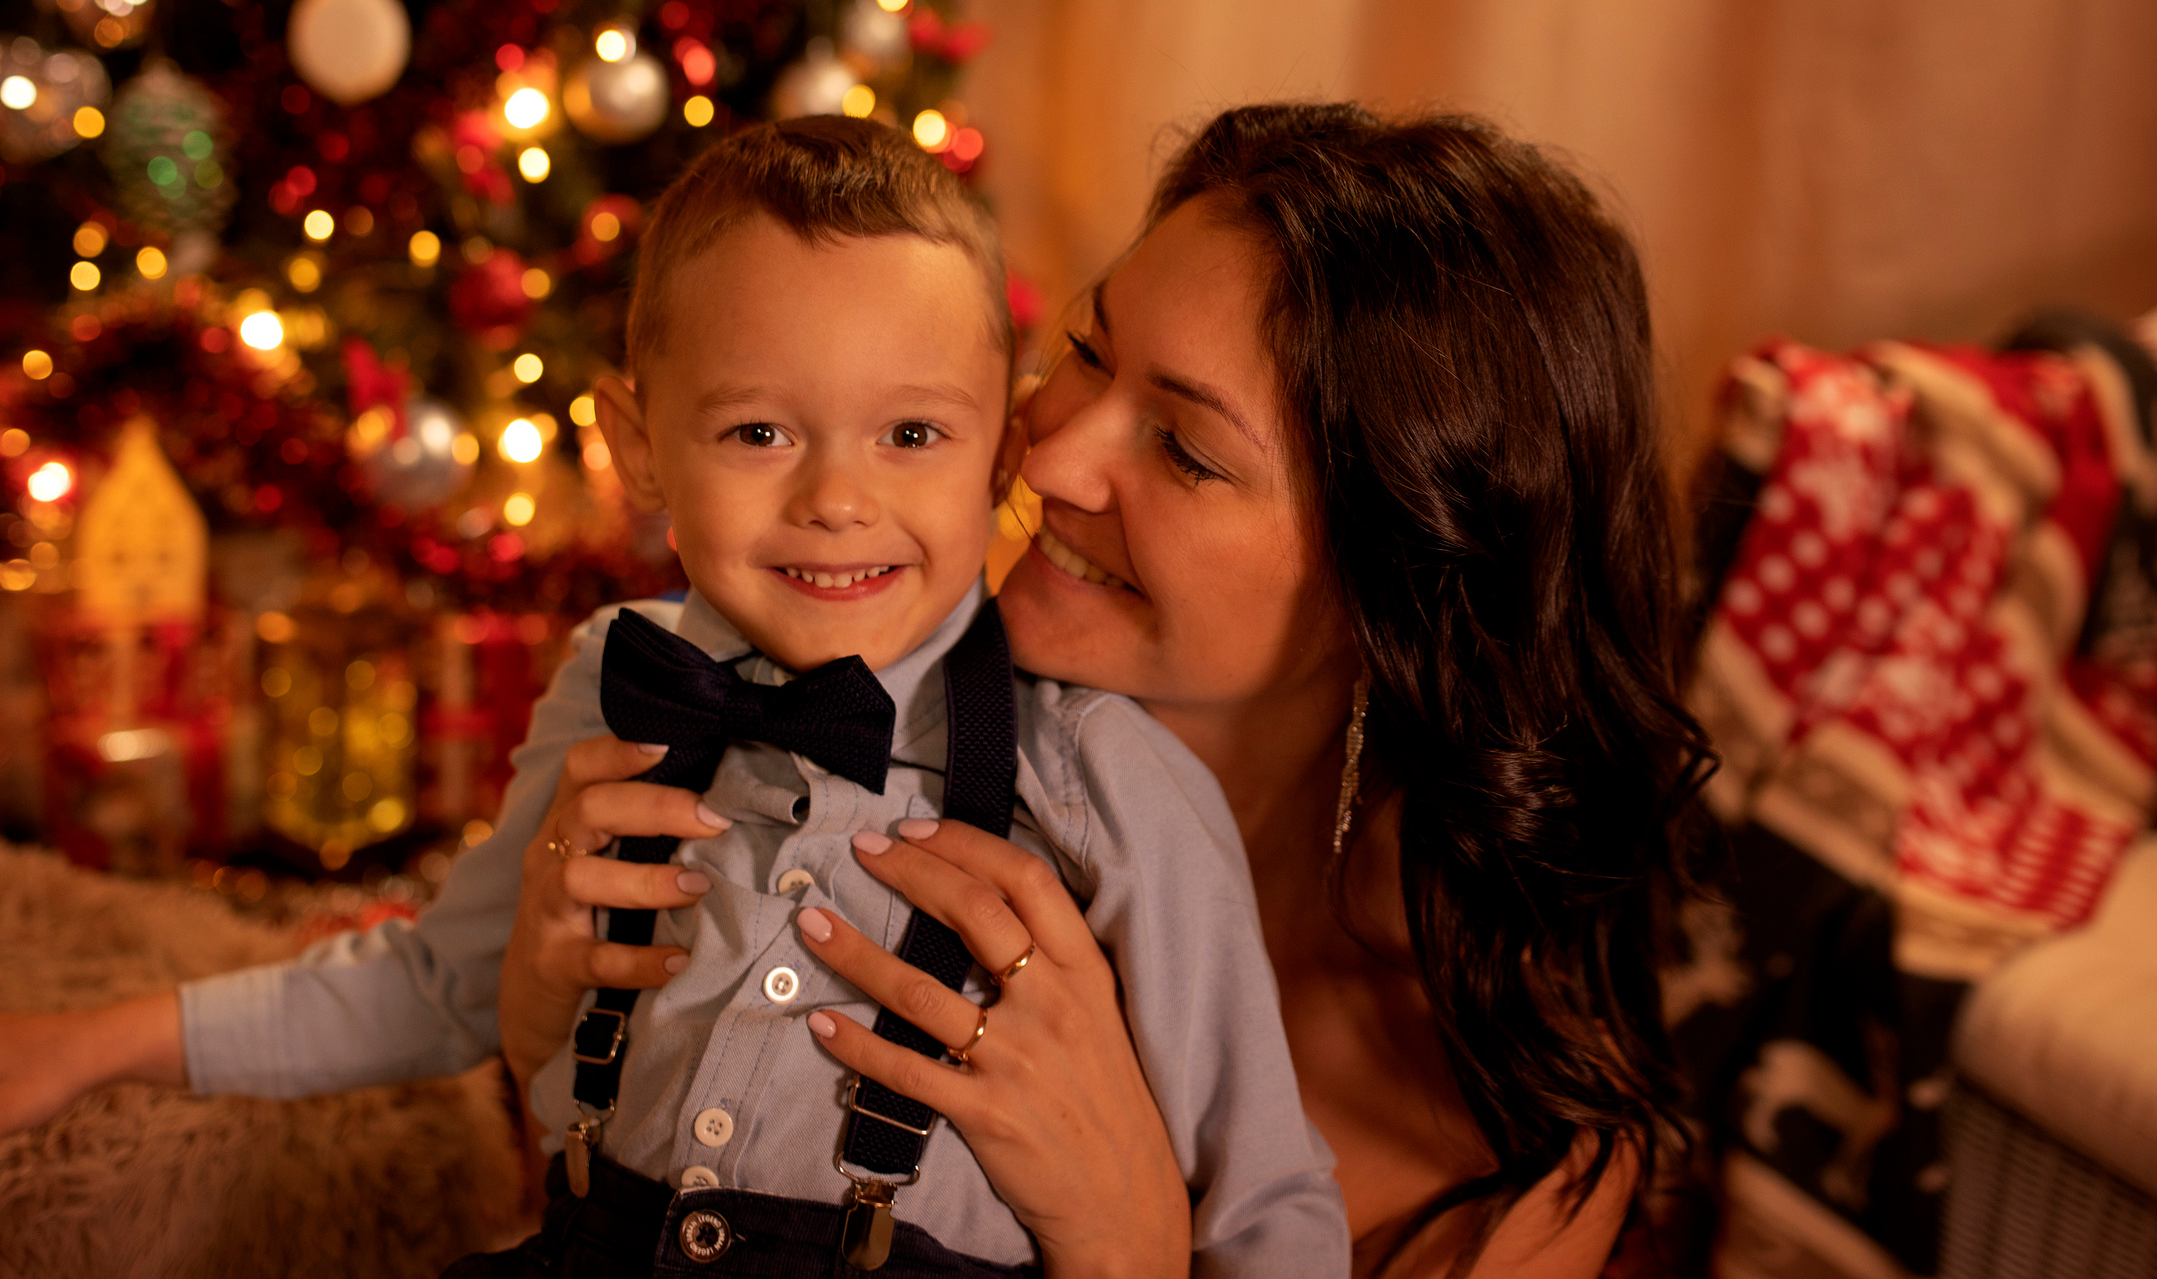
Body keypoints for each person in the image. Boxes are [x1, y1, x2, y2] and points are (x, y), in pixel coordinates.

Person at [0, 117, 1349, 1277]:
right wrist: (94, 1039)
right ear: (637, 447)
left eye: (912, 434)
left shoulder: (1115, 785)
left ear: (997, 444)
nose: (836, 500)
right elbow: (440, 980)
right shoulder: (618, 672)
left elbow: (1268, 1202)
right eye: (758, 431)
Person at [506, 104, 1714, 1276]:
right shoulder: (821, 742)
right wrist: (541, 1008)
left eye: (1187, 449)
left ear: (1389, 588)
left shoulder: (1503, 1158)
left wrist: (1130, 1248)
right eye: (1086, 353)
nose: (1052, 454)